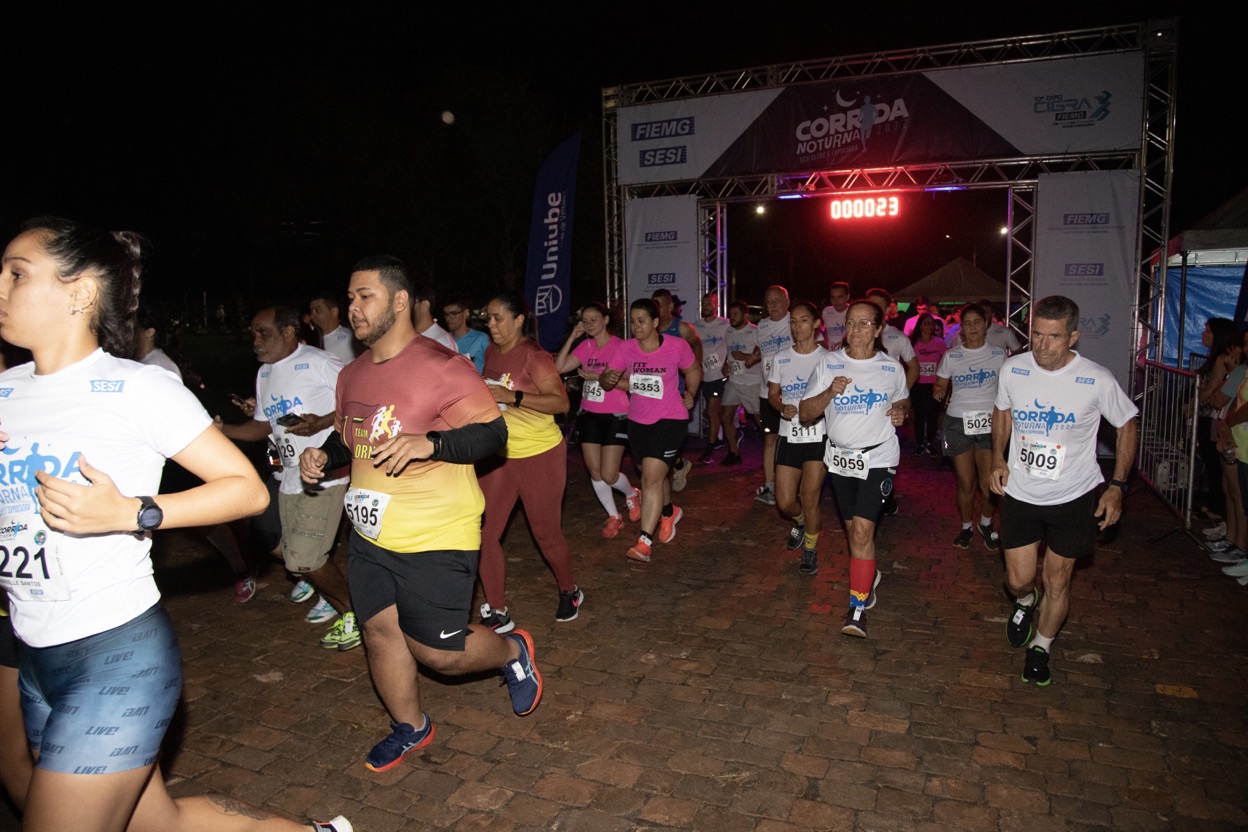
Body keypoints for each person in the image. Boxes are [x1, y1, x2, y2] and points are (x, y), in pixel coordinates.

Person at [0, 217, 352, 832]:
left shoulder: (137, 388)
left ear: (80, 291)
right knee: (157, 823)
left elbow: (246, 490)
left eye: (17, 274)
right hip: (34, 651)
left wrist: (134, 511)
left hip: (114, 655)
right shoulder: (6, 391)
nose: (1, 287)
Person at [299, 254, 541, 774]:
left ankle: (511, 652)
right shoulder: (352, 374)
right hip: (370, 534)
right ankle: (411, 727)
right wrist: (323, 454)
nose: (353, 307)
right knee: (380, 633)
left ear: (400, 301)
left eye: (365, 296)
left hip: (436, 532)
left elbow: (493, 434)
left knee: (440, 654)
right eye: (350, 297)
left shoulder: (442, 366)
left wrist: (431, 443)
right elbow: (350, 437)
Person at [991, 295, 1138, 686]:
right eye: (1037, 334)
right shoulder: (1014, 368)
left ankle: (1041, 646)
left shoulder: (1096, 378)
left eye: (1053, 337)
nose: (1042, 345)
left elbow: (1127, 424)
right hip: (1021, 492)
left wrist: (1117, 486)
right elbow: (1002, 410)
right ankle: (1026, 602)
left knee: (1057, 580)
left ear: (1073, 337)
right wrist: (998, 459)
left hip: (1073, 495)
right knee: (1017, 580)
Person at [217, 306, 356, 648]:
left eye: (263, 332)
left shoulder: (319, 362)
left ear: (289, 332)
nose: (256, 340)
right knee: (284, 548)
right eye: (253, 333)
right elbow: (264, 426)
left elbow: (359, 401)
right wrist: (223, 431)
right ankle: (339, 603)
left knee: (305, 559)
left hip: (325, 473)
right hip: (289, 475)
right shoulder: (264, 374)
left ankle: (356, 613)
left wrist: (322, 422)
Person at [799, 300, 909, 638]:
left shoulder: (891, 368)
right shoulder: (829, 363)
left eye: (864, 324)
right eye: (850, 323)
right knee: (854, 532)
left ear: (878, 330)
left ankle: (857, 609)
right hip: (840, 459)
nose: (855, 329)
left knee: (861, 531)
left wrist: (901, 412)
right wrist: (829, 392)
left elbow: (902, 399)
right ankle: (868, 573)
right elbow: (805, 413)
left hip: (879, 457)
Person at [478, 291, 582, 631]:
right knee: (483, 532)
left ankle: (570, 590)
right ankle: (497, 610)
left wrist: (513, 396)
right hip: (501, 455)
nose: (491, 325)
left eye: (498, 318)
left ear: (519, 320)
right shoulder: (491, 352)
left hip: (540, 454)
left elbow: (561, 403)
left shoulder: (534, 356)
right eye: (489, 318)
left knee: (545, 534)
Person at [138, 305, 255, 603]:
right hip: (152, 456)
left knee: (205, 520)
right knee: (147, 518)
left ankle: (240, 568)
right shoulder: (137, 363)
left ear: (150, 331)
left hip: (174, 456)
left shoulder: (159, 366)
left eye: (134, 327)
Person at [600, 299, 702, 562]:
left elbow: (693, 370)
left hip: (670, 418)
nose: (636, 326)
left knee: (650, 479)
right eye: (633, 321)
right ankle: (669, 511)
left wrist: (691, 392)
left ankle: (644, 542)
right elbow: (607, 379)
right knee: (651, 473)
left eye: (642, 321)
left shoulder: (676, 346)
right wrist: (606, 379)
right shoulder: (625, 348)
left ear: (655, 322)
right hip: (637, 421)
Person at [554, 302, 640, 538]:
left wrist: (600, 378)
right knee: (595, 472)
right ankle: (614, 516)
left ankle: (632, 494)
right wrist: (573, 337)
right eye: (585, 321)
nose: (589, 324)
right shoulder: (585, 346)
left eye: (594, 320)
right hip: (588, 414)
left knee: (609, 474)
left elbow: (633, 383)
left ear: (606, 320)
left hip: (616, 415)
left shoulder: (621, 347)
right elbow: (559, 368)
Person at [934, 303, 1009, 549]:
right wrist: (938, 390)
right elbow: (940, 383)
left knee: (988, 484)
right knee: (966, 483)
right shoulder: (952, 355)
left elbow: (1009, 388)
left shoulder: (998, 354)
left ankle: (985, 523)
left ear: (986, 325)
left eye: (977, 322)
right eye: (967, 323)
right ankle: (966, 527)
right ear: (961, 328)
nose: (973, 327)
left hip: (990, 423)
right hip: (958, 422)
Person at [767, 302, 828, 575]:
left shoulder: (828, 359)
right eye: (793, 321)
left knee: (810, 496)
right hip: (789, 434)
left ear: (816, 324)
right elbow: (772, 395)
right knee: (784, 502)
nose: (797, 326)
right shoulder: (781, 358)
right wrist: (781, 407)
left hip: (818, 435)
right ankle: (801, 522)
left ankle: (810, 551)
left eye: (804, 320)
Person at [1202, 328, 1248, 563]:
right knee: (1231, 489)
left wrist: (1228, 422)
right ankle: (1233, 540)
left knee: (1238, 494)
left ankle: (1240, 546)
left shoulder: (1240, 371)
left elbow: (1219, 399)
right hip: (1236, 438)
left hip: (1240, 439)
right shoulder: (1243, 371)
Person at [651, 289, 701, 491]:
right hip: (654, 393)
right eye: (653, 303)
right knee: (657, 437)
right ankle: (679, 465)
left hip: (677, 392)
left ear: (670, 306)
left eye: (659, 304)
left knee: (667, 436)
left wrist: (696, 372)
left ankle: (670, 471)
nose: (655, 308)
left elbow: (696, 344)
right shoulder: (649, 328)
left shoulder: (682, 329)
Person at [1196, 319, 1240, 540]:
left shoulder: (1225, 361)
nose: (1203, 334)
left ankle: (1229, 527)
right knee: (1222, 476)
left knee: (1224, 477)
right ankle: (1229, 529)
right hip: (1218, 419)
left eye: (1208, 331)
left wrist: (1193, 402)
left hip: (1219, 419)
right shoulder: (1220, 360)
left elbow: (1214, 393)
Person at [753, 285, 794, 505]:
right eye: (769, 302)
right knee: (770, 439)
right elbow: (760, 351)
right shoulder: (762, 325)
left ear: (787, 302)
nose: (773, 305)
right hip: (767, 392)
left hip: (793, 393)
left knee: (791, 440)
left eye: (777, 301)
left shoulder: (795, 321)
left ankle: (793, 486)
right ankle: (770, 487)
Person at [720, 300, 762, 466]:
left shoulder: (755, 331)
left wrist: (744, 357)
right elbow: (730, 351)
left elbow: (761, 353)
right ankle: (733, 452)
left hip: (752, 382)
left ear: (745, 315)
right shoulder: (729, 331)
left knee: (760, 420)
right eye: (730, 314)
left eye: (736, 314)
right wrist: (726, 363)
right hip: (734, 380)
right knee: (725, 415)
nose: (732, 317)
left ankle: (771, 450)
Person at [692, 291, 731, 463]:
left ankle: (710, 449)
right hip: (704, 375)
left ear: (716, 305)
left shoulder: (725, 324)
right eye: (704, 303)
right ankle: (726, 438)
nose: (706, 306)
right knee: (715, 413)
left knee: (712, 411)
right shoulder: (696, 326)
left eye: (709, 303)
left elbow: (734, 341)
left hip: (719, 375)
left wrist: (727, 361)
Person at [909, 312, 947, 455]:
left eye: (931, 323)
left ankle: (930, 443)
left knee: (932, 415)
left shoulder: (939, 342)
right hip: (918, 384)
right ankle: (919, 443)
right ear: (920, 325)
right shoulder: (913, 343)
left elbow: (946, 361)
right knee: (919, 415)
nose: (929, 326)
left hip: (934, 385)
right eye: (926, 323)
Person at [309, 290, 361, 365]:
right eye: (311, 311)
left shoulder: (351, 339)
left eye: (317, 310)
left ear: (334, 312)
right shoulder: (309, 340)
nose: (312, 316)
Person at [442, 293, 490, 374]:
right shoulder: (443, 339)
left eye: (453, 314)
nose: (448, 318)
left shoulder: (481, 339)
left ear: (466, 312)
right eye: (446, 314)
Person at [410, 279, 459, 353]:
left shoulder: (442, 342)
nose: (406, 308)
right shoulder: (406, 337)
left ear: (424, 305)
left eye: (410, 303)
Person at [820, 280, 851, 351]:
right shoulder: (826, 312)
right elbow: (823, 330)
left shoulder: (853, 312)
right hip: (831, 352)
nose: (836, 301)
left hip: (847, 352)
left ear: (847, 297)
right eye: (833, 297)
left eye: (840, 297)